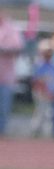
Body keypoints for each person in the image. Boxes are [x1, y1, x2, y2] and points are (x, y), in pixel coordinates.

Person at [30, 39, 54, 138]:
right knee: (40, 112)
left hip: (50, 93)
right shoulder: (39, 63)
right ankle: (35, 132)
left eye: (49, 51)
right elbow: (36, 80)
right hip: (40, 92)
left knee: (48, 113)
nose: (48, 53)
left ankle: (47, 134)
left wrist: (53, 92)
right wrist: (43, 90)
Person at [0, 9, 23, 137]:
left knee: (3, 108)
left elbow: (17, 47)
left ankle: (2, 132)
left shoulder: (11, 29)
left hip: (6, 76)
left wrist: (3, 49)